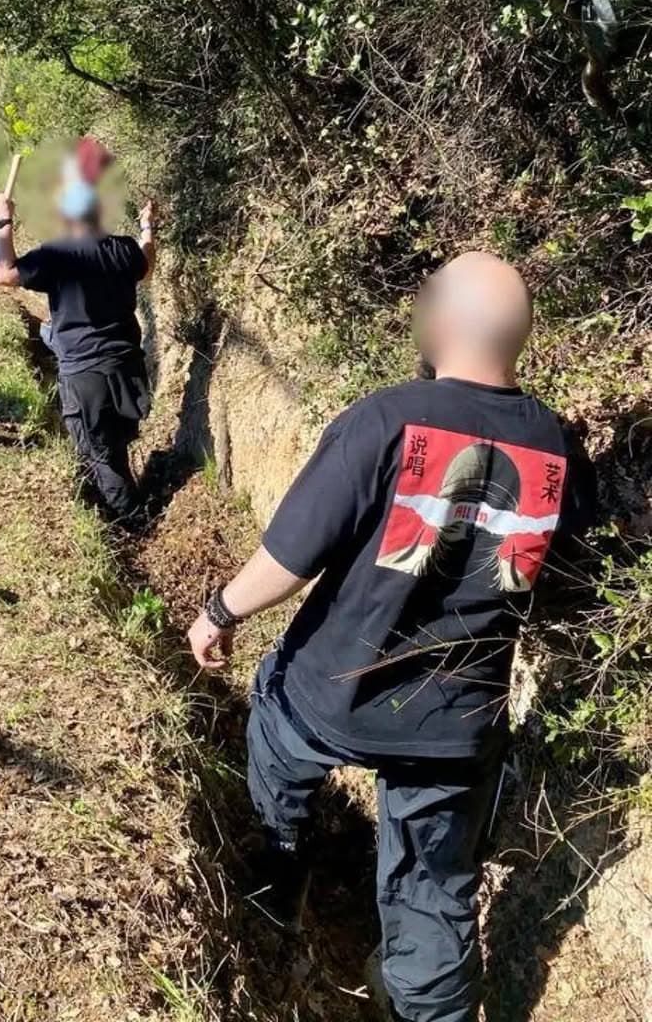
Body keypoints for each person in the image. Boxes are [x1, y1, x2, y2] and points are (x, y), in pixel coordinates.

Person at [186, 252, 596, 1022]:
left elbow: (290, 556)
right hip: (457, 724)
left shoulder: (386, 419)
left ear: (439, 319)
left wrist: (219, 611)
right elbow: (559, 560)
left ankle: (281, 875)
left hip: (330, 696)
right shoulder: (559, 447)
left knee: (273, 723)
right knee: (436, 891)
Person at [0, 175, 157, 523]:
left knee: (99, 455)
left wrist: (3, 222)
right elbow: (146, 265)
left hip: (85, 376)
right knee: (114, 444)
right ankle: (132, 500)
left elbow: (4, 274)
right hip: (128, 368)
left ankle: (137, 520)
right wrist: (146, 229)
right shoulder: (123, 248)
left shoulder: (57, 255)